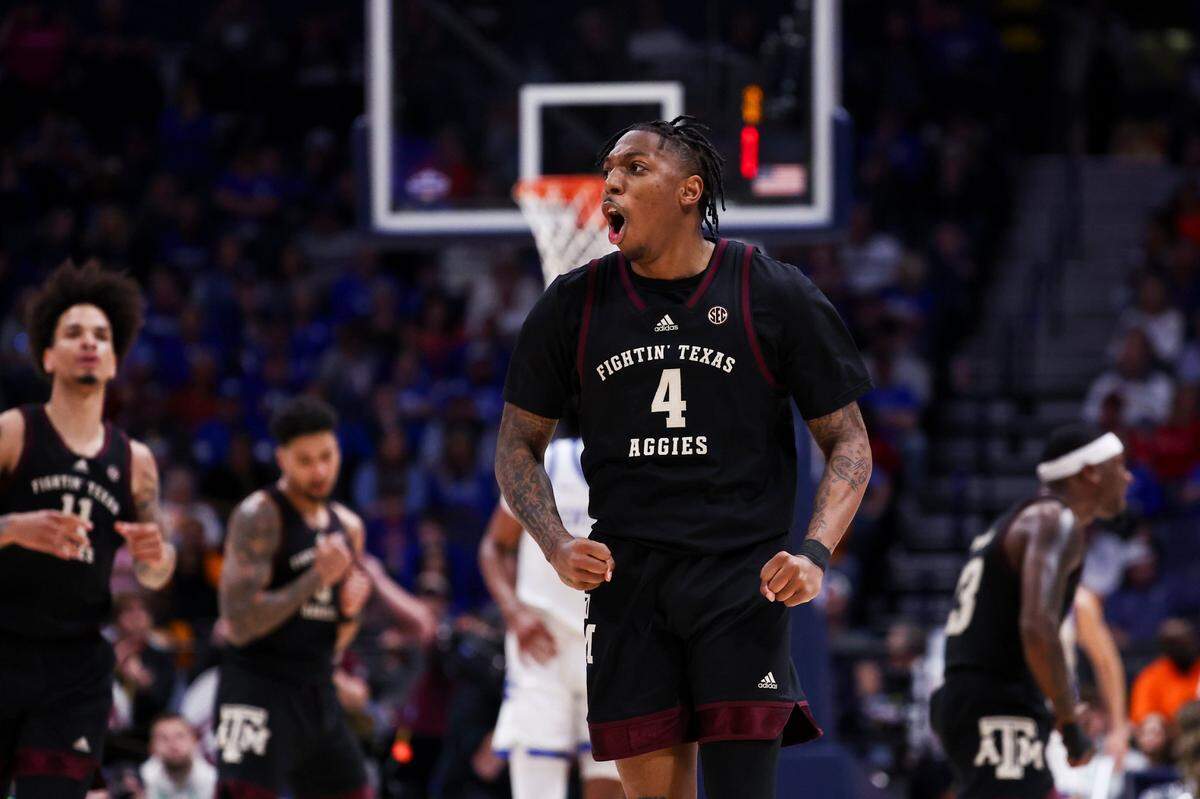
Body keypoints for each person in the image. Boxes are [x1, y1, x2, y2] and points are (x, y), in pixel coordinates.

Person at [496, 116, 873, 799]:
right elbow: (516, 444)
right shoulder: (573, 305)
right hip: (628, 589)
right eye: (608, 170)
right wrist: (553, 542)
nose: (612, 180)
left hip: (740, 584)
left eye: (635, 168)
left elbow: (848, 439)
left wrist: (815, 552)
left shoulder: (771, 290)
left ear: (690, 192)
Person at [0, 260, 177, 798]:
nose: (89, 343)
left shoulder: (137, 460)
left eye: (101, 335)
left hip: (74, 667)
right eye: (73, 333)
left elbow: (155, 572)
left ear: (115, 360)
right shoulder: (13, 432)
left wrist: (155, 552)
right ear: (47, 355)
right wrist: (11, 527)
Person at [932, 424, 1133, 798]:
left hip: (979, 697)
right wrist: (1069, 718)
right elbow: (1037, 628)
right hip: (995, 701)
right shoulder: (1054, 519)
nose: (1127, 476)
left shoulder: (1017, 520)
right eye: (1119, 465)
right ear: (1089, 472)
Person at [214, 396, 372, 798]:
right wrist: (316, 577)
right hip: (257, 686)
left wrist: (350, 613)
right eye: (305, 461)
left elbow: (331, 640)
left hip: (317, 688)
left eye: (327, 456)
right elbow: (238, 624)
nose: (320, 471)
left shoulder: (349, 526)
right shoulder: (259, 515)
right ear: (282, 459)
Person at [479, 422, 622, 799]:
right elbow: (493, 547)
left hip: (610, 645)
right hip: (542, 644)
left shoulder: (635, 471)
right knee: (537, 789)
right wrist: (514, 613)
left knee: (611, 781)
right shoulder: (549, 463)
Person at [139, 714, 217, 799]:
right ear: (152, 747)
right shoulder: (141, 780)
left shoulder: (213, 780)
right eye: (164, 738)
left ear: (195, 741)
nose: (173, 745)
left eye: (180, 736)